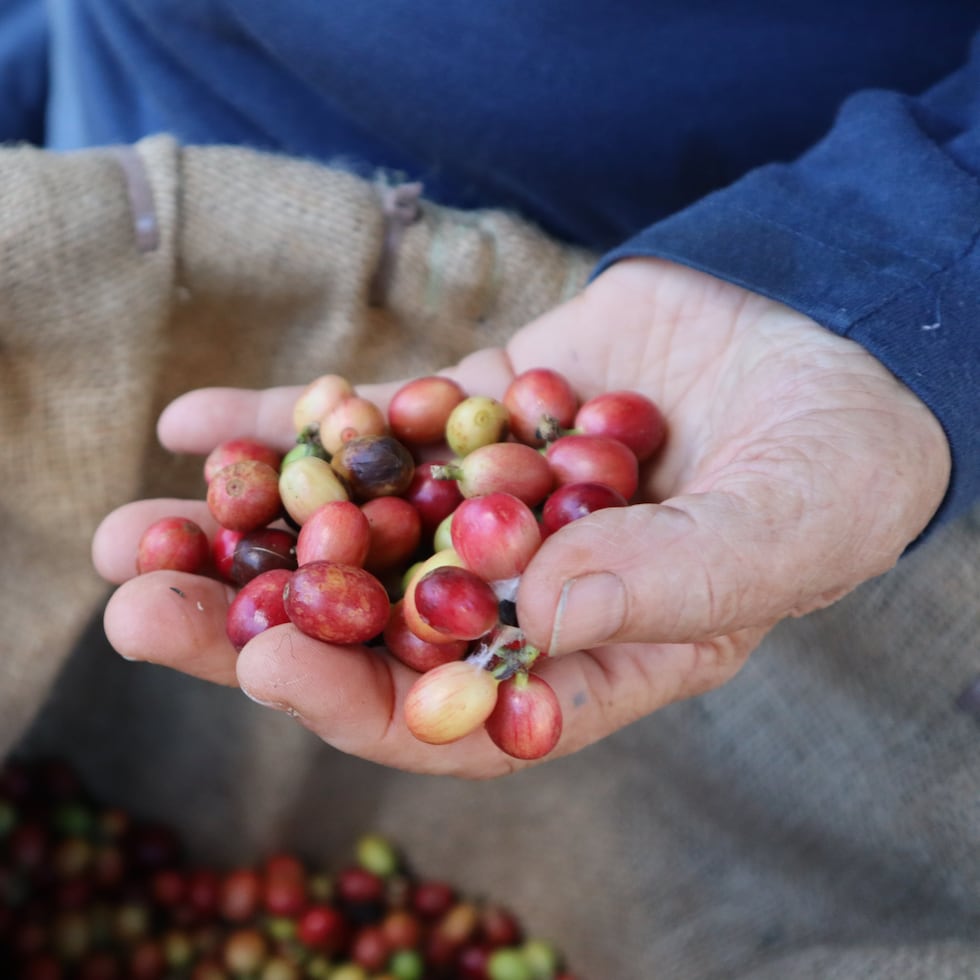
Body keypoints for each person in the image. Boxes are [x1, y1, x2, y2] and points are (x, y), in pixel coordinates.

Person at [3, 0, 970, 778]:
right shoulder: (407, 490)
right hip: (178, 97)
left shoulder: (446, 498)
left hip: (761, 228)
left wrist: (911, 259)